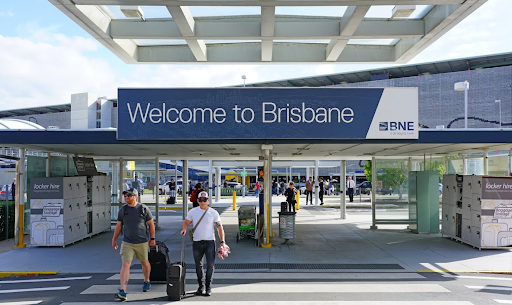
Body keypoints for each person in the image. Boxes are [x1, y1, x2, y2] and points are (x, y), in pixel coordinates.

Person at [112, 188, 156, 301]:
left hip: (142, 242)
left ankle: (147, 280)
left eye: (129, 195)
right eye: (125, 196)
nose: (126, 197)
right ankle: (123, 290)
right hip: (127, 242)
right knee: (126, 264)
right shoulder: (123, 210)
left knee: (144, 263)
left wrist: (152, 239)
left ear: (135, 196)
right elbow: (118, 226)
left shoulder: (143, 209)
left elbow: (151, 224)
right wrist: (114, 239)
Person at [180, 191, 225, 297]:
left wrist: (222, 241)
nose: (202, 202)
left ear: (208, 201)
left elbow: (219, 227)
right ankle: (201, 286)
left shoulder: (213, 213)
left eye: (205, 200)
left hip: (210, 242)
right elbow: (186, 223)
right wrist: (184, 229)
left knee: (210, 265)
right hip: (197, 242)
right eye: (201, 200)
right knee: (198, 265)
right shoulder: (193, 212)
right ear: (198, 201)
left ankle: (208, 287)